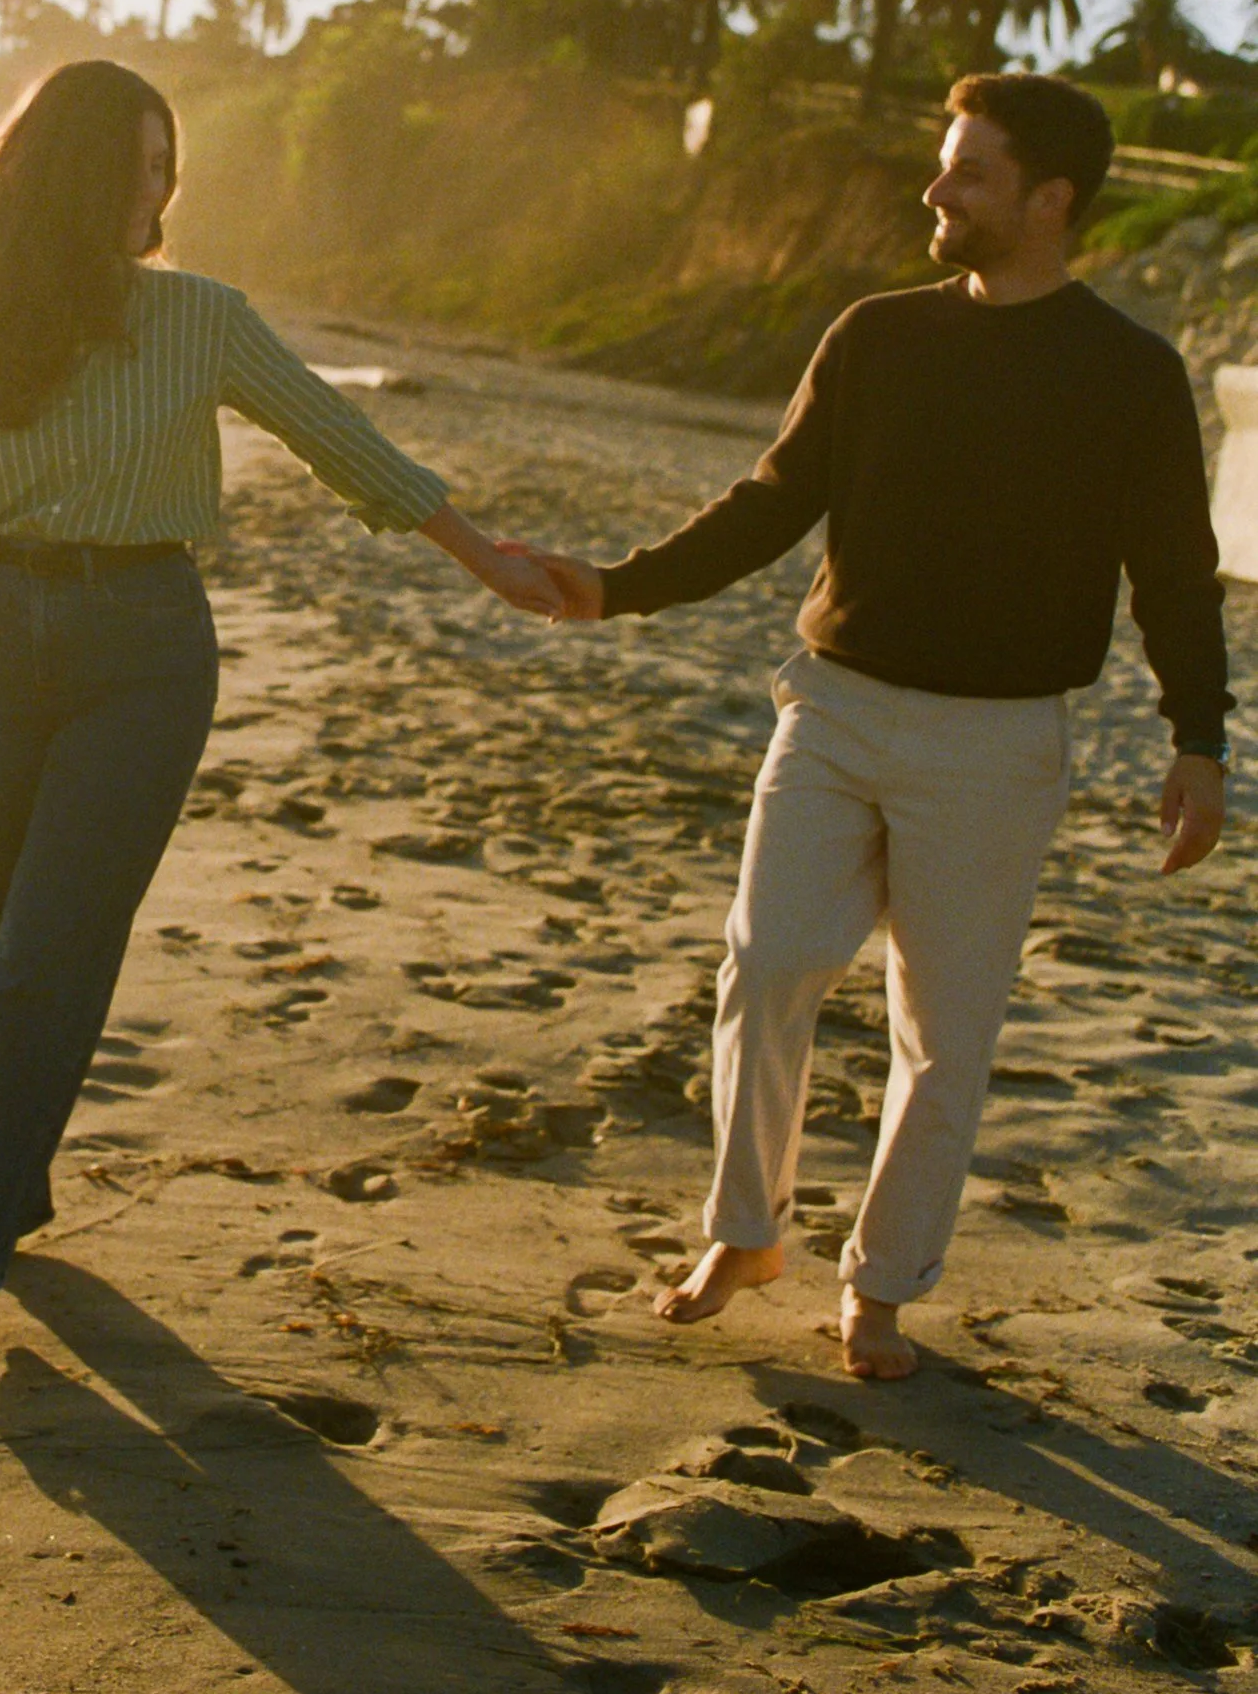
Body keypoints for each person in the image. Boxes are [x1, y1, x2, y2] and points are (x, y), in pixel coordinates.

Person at [524, 73, 1230, 1380]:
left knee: (943, 1032)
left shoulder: (1131, 375)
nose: (936, 192)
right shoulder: (876, 335)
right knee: (770, 960)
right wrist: (618, 588)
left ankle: (883, 1288)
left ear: (1050, 200)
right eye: (942, 166)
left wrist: (1201, 739)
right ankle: (746, 1232)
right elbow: (771, 500)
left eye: (967, 174)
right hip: (835, 707)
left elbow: (1176, 575)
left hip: (1000, 742)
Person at [0, 58, 569, 1334]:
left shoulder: (200, 320)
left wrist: (488, 559)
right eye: (137, 170)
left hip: (145, 650)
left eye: (167, 171)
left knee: (44, 952)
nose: (158, 195)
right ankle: (15, 1194)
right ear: (67, 179)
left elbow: (343, 443)